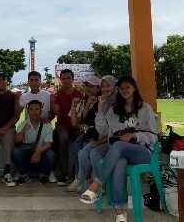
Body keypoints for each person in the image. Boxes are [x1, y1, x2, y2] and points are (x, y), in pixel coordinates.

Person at [79, 75, 157, 222]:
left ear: (134, 88)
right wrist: (100, 109)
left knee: (118, 145)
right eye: (121, 88)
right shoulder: (114, 110)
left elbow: (153, 136)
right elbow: (102, 131)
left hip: (141, 151)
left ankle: (96, 184)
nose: (124, 90)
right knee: (114, 160)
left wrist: (134, 135)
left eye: (128, 87)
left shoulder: (145, 108)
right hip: (118, 149)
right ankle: (119, 212)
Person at [67, 74, 117, 192]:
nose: (105, 89)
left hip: (112, 139)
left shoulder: (116, 102)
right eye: (103, 86)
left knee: (89, 151)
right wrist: (82, 106)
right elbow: (80, 122)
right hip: (97, 135)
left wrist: (103, 139)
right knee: (81, 150)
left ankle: (92, 182)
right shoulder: (101, 101)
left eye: (108, 85)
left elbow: (114, 126)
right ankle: (83, 180)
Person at [51, 68, 85, 186]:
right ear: (60, 80)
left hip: (76, 125)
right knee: (63, 138)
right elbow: (55, 111)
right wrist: (53, 103)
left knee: (81, 140)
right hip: (62, 125)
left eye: (68, 78)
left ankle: (78, 172)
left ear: (73, 79)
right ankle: (64, 172)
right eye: (64, 78)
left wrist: (81, 124)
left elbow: (82, 113)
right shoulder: (57, 95)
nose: (66, 81)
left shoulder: (79, 94)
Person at [11, 100, 55, 185]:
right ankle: (24, 175)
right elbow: (17, 140)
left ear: (41, 111)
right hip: (27, 157)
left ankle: (44, 175)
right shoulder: (23, 124)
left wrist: (38, 151)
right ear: (28, 111)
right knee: (16, 152)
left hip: (41, 156)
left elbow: (49, 144)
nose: (34, 112)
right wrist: (23, 130)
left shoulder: (47, 125)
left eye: (37, 109)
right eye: (31, 109)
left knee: (50, 154)